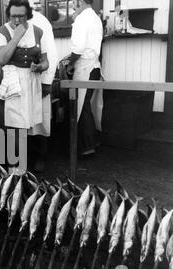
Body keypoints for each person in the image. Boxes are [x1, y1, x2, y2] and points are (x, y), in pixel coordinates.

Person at [0, 0, 49, 172]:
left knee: (25, 124)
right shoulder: (1, 33)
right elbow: (1, 59)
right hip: (8, 82)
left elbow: (45, 61)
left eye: (20, 16)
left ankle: (21, 169)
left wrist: (40, 67)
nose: (16, 20)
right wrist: (16, 36)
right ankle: (11, 170)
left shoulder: (38, 32)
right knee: (9, 124)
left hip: (29, 82)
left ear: (28, 15)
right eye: (13, 16)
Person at [66, 0, 103, 157]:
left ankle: (86, 146)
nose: (74, 5)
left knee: (81, 107)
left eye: (75, 2)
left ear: (80, 1)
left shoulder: (81, 19)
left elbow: (78, 49)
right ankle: (92, 141)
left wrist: (69, 63)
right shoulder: (95, 17)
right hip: (94, 67)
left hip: (85, 68)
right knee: (86, 105)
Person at [28, 0, 59, 171]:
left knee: (39, 120)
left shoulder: (40, 21)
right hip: (20, 80)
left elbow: (51, 53)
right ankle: (25, 157)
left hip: (39, 78)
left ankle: (41, 157)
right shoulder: (12, 21)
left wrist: (47, 81)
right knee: (22, 120)